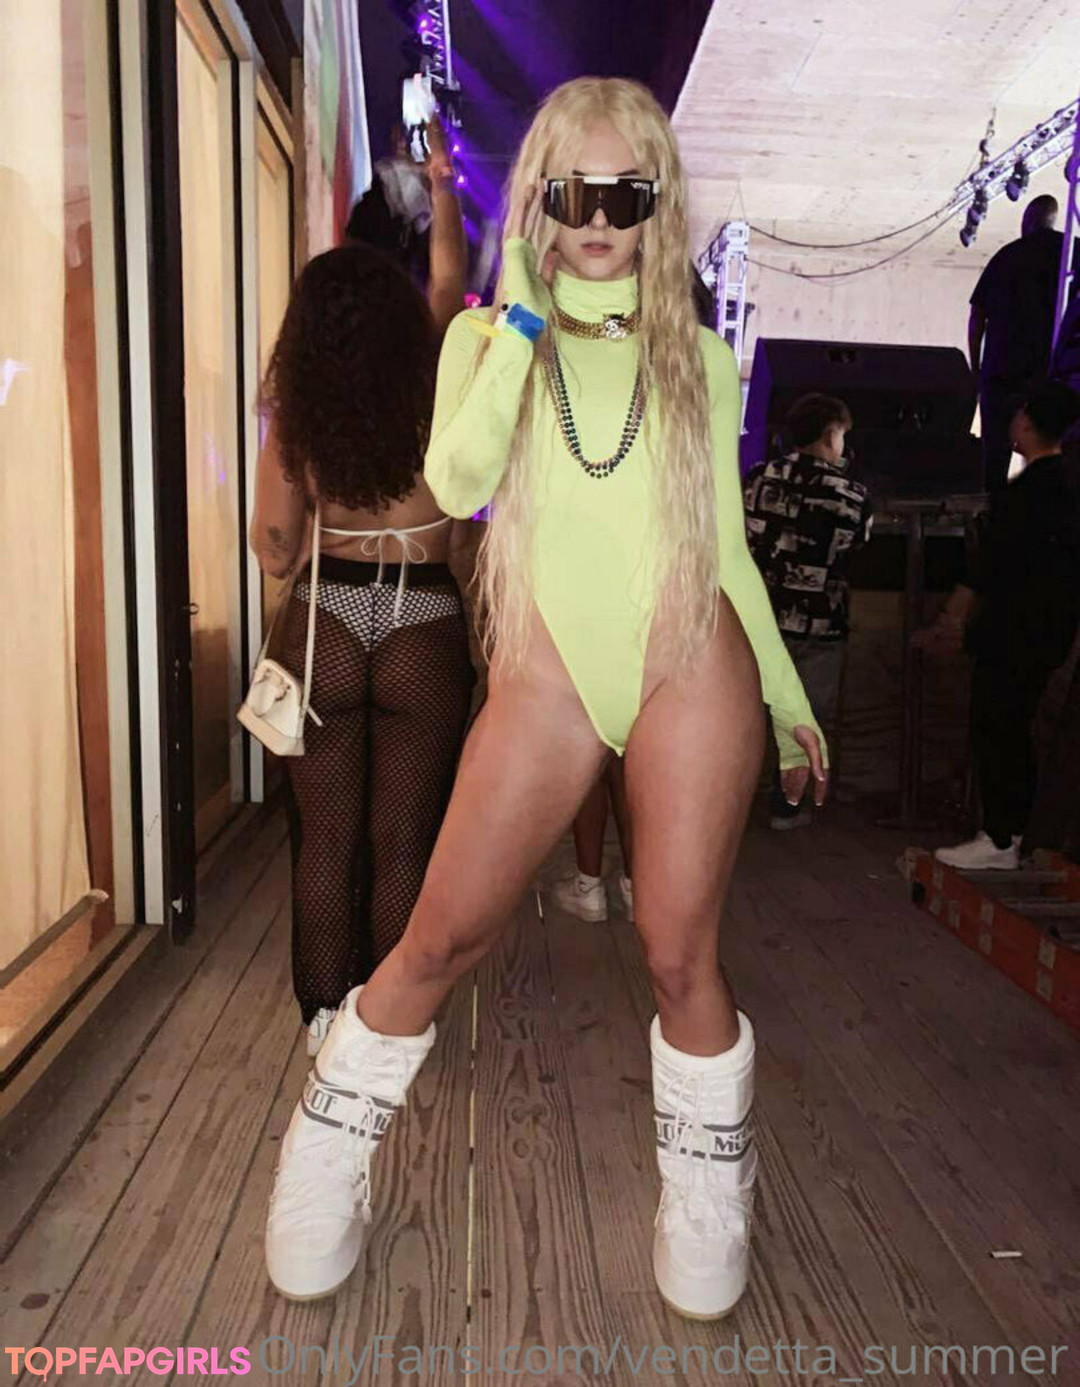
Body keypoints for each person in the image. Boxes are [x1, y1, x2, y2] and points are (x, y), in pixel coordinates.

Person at [264, 77, 826, 1321]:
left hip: (691, 654)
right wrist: (519, 318)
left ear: (658, 202)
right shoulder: (483, 339)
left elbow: (728, 551)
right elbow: (460, 480)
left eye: (627, 193)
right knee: (437, 935)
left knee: (679, 949)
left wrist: (789, 699)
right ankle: (326, 1149)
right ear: (540, 199)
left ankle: (709, 1185)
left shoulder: (702, 361)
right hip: (550, 671)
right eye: (574, 192)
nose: (599, 220)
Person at [249, 244, 476, 1057]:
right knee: (405, 839)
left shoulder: (302, 415)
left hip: (328, 622)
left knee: (325, 836)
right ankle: (387, 1021)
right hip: (423, 615)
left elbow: (275, 548)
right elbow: (469, 523)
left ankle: (322, 1017)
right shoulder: (441, 399)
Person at [551, 270, 715, 923]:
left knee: (593, 756)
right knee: (640, 761)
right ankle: (636, 883)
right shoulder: (694, 385)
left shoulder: (605, 377)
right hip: (664, 607)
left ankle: (593, 880)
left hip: (593, 598)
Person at [918, 382, 1080, 869]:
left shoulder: (1026, 493)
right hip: (1053, 628)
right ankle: (1018, 835)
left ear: (1026, 423)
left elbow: (987, 567)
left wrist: (952, 618)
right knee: (1018, 726)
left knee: (997, 726)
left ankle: (1001, 836)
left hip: (1013, 629)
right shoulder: (1069, 486)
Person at [743, 394, 872, 828]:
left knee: (749, 713)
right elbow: (857, 548)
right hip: (820, 623)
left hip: (759, 618)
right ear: (831, 434)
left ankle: (732, 799)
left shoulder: (758, 477)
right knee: (808, 715)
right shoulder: (852, 494)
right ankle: (789, 805)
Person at [968, 195, 1063, 497]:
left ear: (1028, 221)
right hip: (1053, 375)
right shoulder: (1071, 252)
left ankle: (994, 513)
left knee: (995, 455)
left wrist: (975, 369)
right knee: (1054, 454)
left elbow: (977, 316)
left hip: (1002, 373)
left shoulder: (1007, 255)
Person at [345, 115, 467, 336]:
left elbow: (448, 283)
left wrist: (441, 172)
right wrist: (442, 171)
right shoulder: (423, 348)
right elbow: (447, 283)